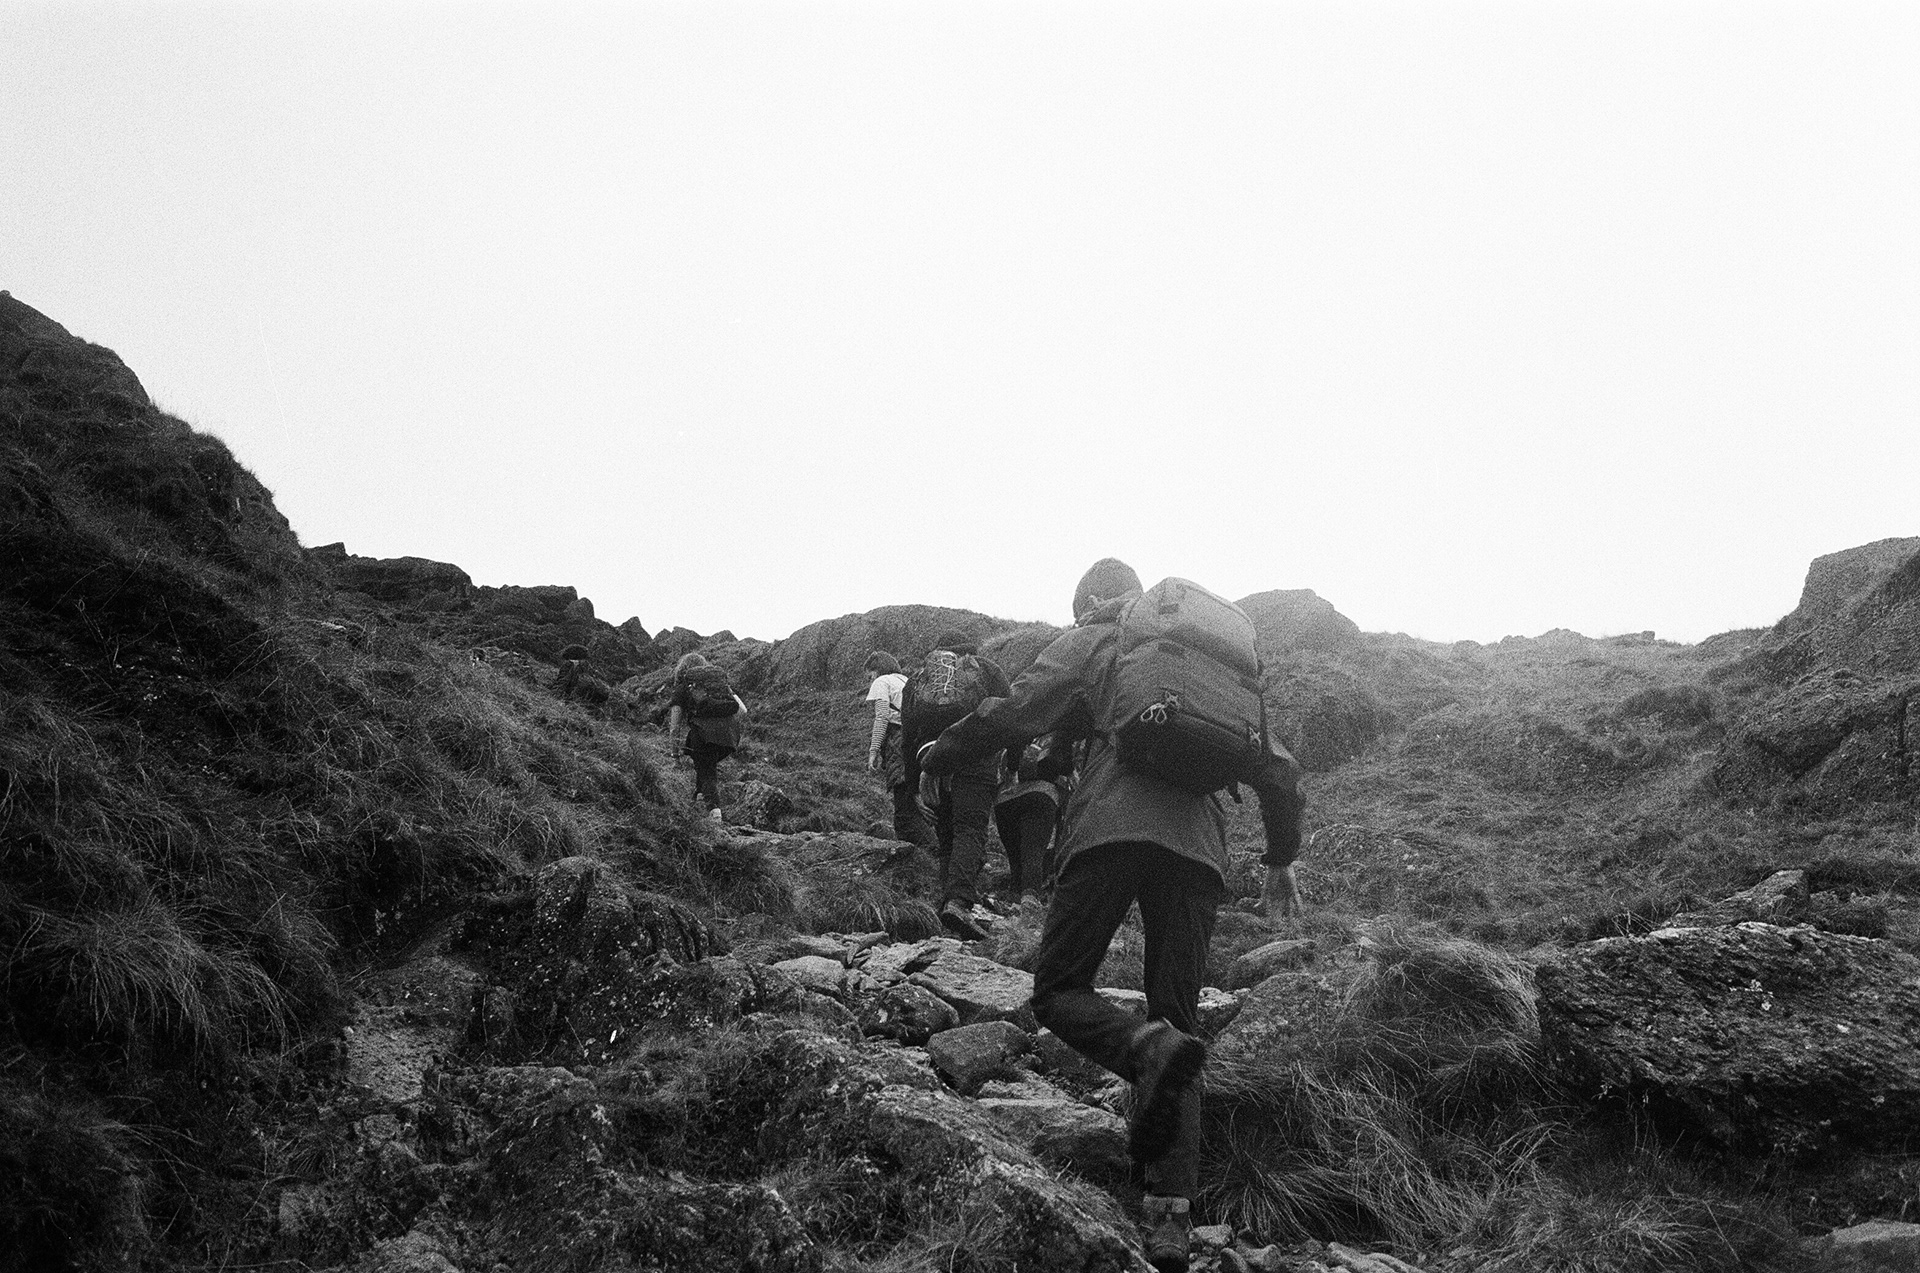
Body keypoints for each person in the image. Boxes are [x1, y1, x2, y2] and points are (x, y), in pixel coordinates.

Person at [918, 559, 1303, 1273]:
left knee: (1060, 989)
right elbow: (1277, 769)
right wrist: (1281, 856)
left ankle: (1142, 1050)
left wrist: (938, 751)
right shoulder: (1214, 666)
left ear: (1092, 597)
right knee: (1179, 1020)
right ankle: (1169, 1223)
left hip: (1109, 831)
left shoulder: (1100, 638)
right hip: (1198, 853)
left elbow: (1015, 710)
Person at [901, 629, 1013, 941]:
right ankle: (959, 901)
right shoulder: (985, 669)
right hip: (974, 755)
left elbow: (907, 736)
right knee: (970, 828)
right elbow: (1009, 714)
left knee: (947, 833)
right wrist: (1011, 763)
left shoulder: (918, 679)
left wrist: (913, 787)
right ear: (969, 648)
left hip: (929, 759)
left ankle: (946, 910)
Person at [664, 652, 748, 821]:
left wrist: (675, 757)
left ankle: (715, 816)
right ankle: (697, 802)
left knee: (707, 772)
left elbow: (674, 728)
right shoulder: (718, 686)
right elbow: (743, 711)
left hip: (703, 737)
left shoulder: (682, 689)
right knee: (703, 767)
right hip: (729, 739)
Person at [994, 732, 1073, 907]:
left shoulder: (1022, 723)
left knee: (1015, 858)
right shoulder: (1059, 731)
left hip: (1005, 799)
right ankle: (1029, 902)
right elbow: (1067, 767)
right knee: (1033, 853)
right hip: (1041, 795)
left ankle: (1013, 903)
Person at [862, 651, 926, 845]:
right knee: (918, 805)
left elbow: (882, 716)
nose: (870, 680)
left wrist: (873, 751)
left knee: (904, 815)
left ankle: (923, 854)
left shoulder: (883, 682)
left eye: (870, 675)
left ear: (877, 670)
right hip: (919, 743)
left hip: (899, 743)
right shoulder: (906, 681)